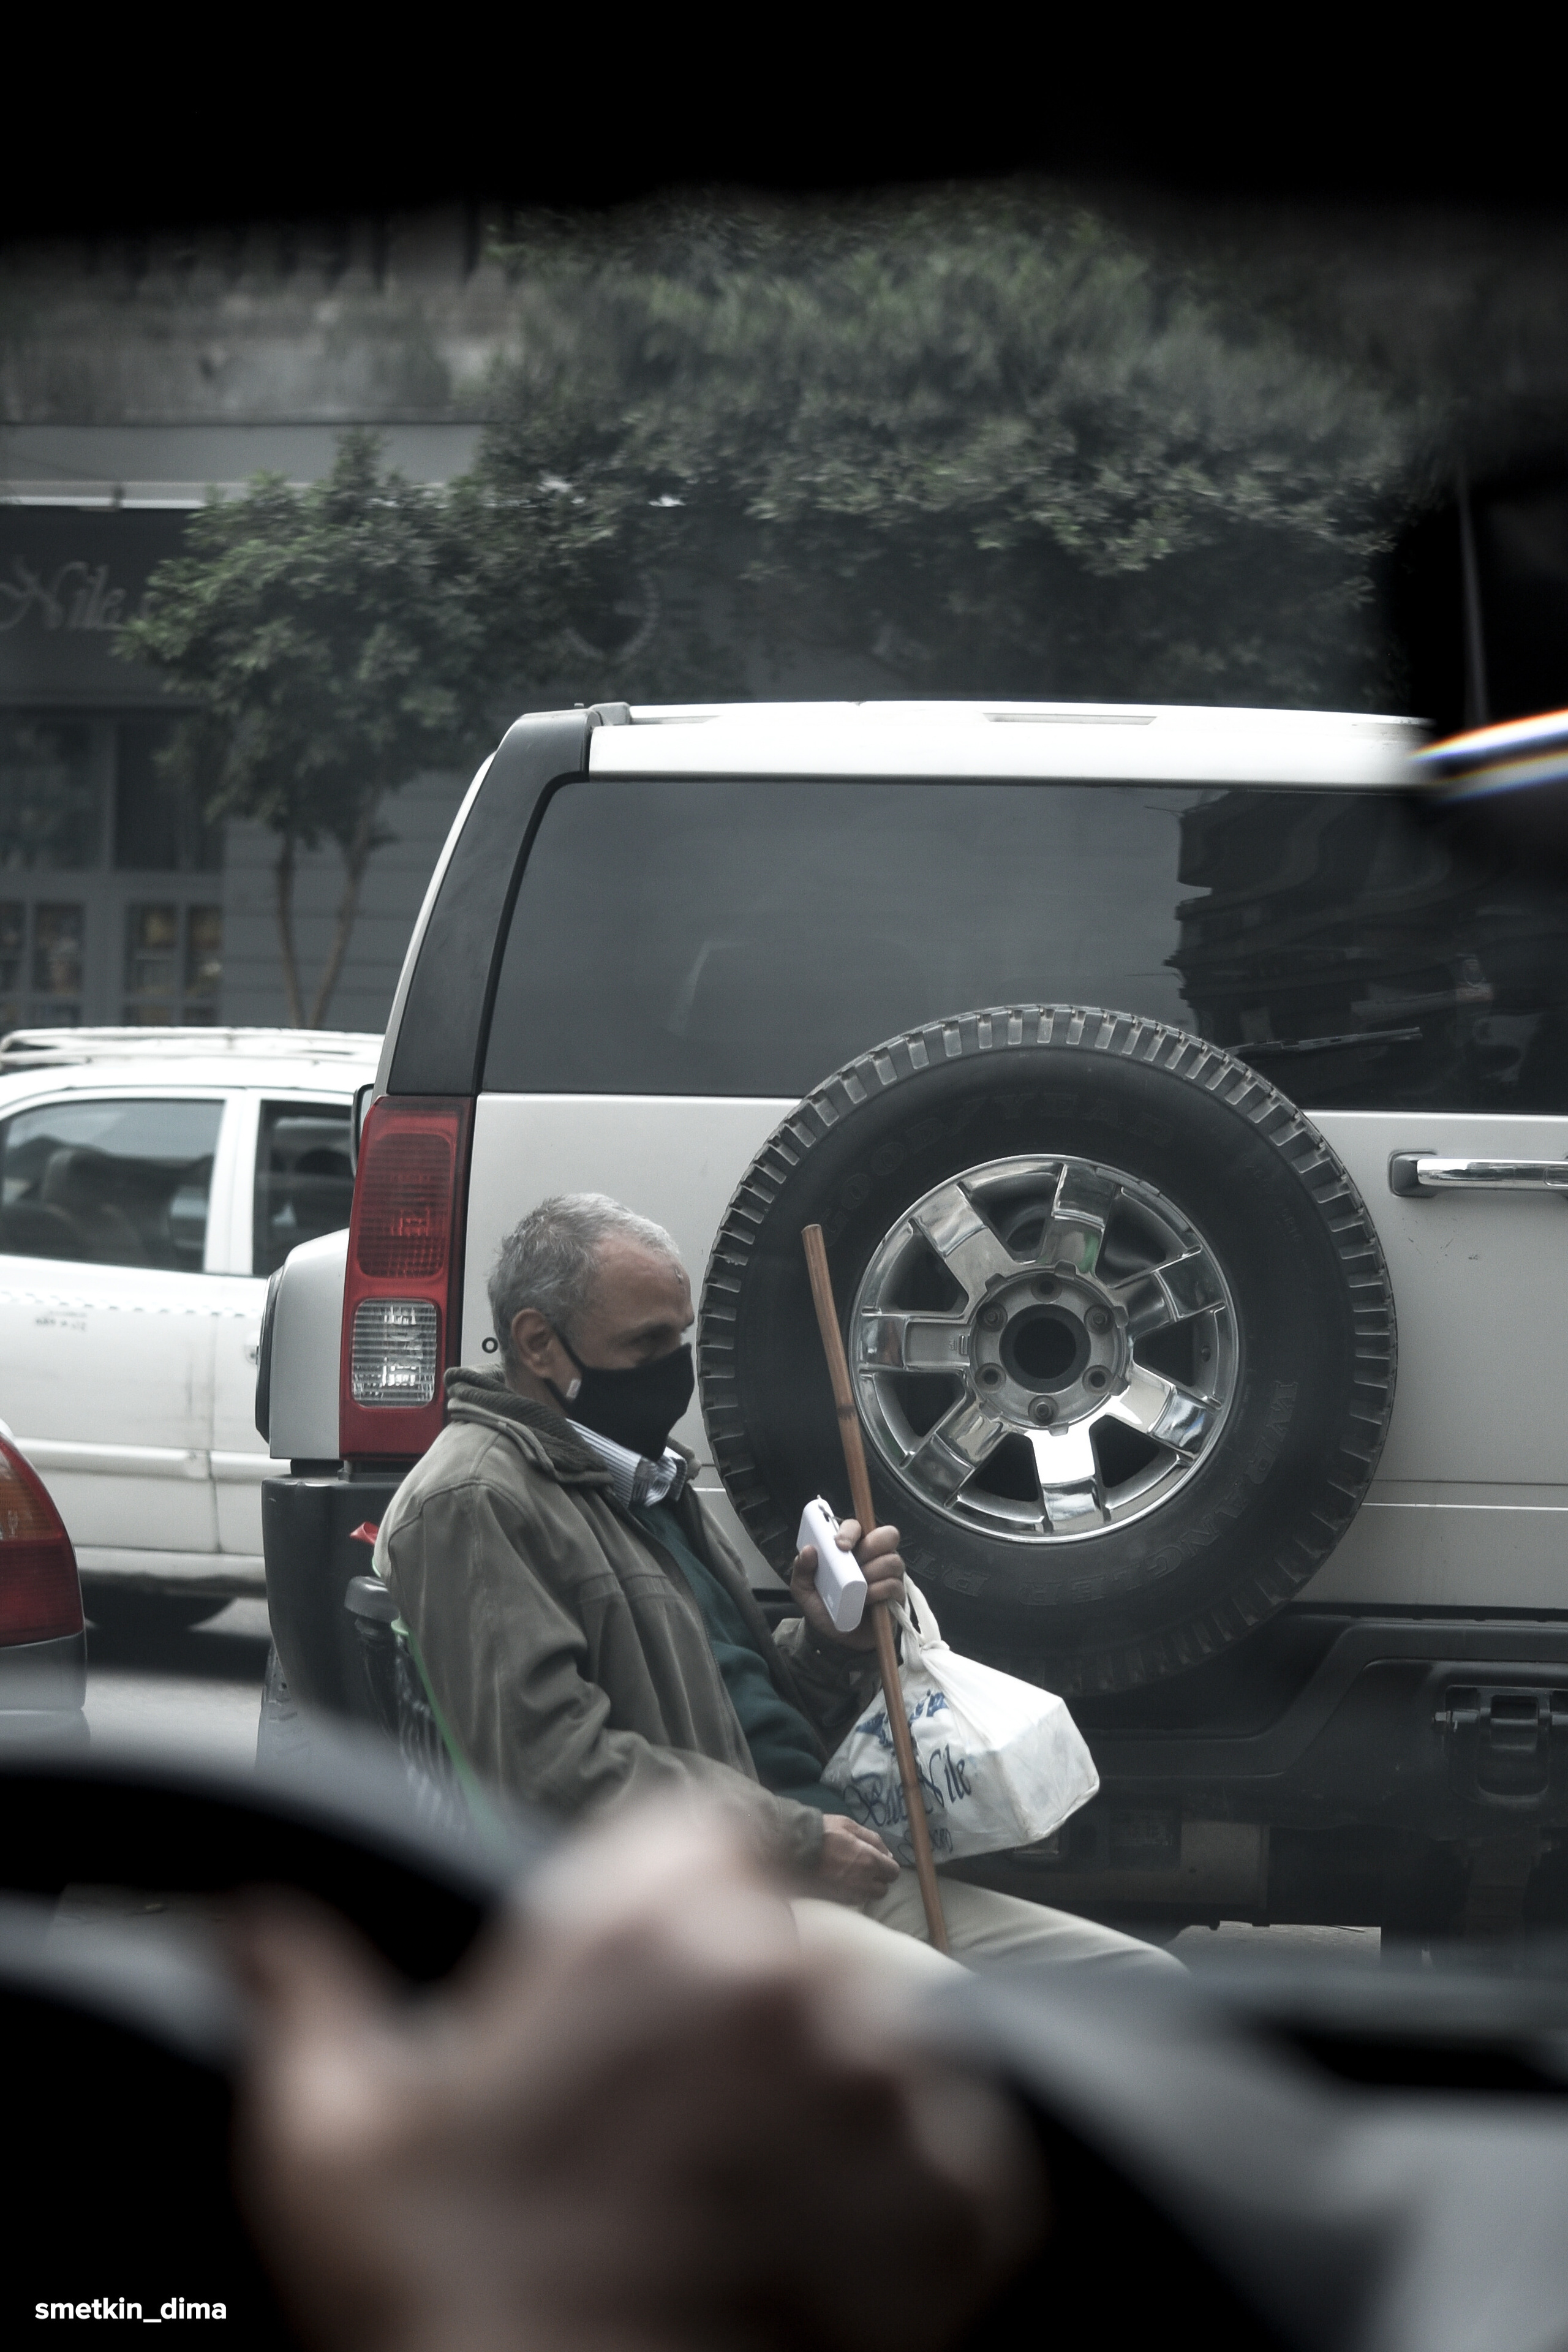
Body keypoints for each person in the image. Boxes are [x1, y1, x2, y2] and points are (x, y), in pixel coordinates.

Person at [375, 1192, 1170, 1974]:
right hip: (706, 1907)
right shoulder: (475, 1502)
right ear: (538, 1343)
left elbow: (729, 1710)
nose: (673, 1368)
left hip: (823, 1865)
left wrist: (829, 1643)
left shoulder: (645, 1480)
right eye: (646, 1343)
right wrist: (790, 1840)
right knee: (954, 2022)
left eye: (680, 1336)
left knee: (1140, 1986)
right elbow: (550, 1771)